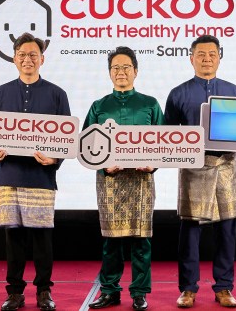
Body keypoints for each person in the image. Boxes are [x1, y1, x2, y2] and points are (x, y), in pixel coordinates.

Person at [164, 35, 236, 309]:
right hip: (193, 168)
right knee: (190, 231)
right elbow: (167, 135)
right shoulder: (178, 94)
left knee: (226, 229)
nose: (207, 59)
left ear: (219, 58)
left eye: (212, 54)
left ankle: (224, 287)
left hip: (226, 166)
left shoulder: (233, 90)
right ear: (191, 58)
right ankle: (188, 288)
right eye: (201, 54)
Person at [0, 33, 71, 311]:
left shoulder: (57, 94)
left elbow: (67, 139)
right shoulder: (1, 92)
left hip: (41, 178)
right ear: (14, 59)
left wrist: (55, 159)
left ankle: (44, 291)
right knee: (13, 239)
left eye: (33, 55)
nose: (28, 59)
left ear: (42, 59)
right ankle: (14, 292)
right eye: (22, 55)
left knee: (42, 239)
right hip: (9, 176)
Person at [85, 47, 162, 311]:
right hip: (110, 182)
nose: (121, 72)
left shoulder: (150, 104)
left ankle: (139, 293)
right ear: (109, 73)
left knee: (141, 240)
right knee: (112, 241)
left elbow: (164, 143)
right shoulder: (99, 106)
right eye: (115, 68)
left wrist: (152, 166)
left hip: (141, 181)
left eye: (126, 67)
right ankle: (109, 291)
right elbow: (85, 145)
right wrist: (104, 167)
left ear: (135, 71)